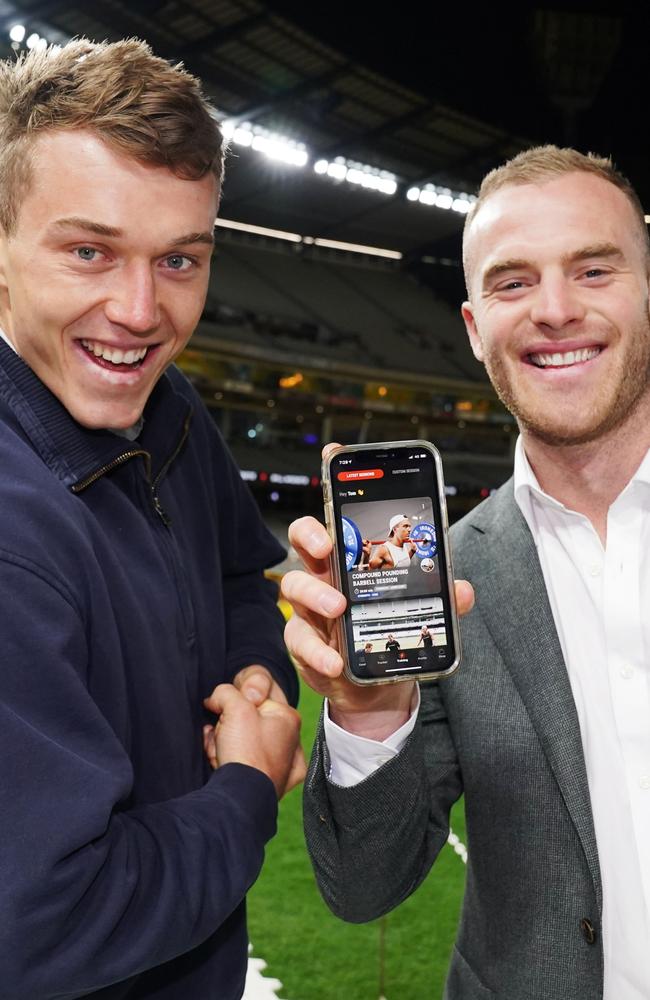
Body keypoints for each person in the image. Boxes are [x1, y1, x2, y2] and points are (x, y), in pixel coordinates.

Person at [282, 145, 650, 999]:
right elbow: (366, 885)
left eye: (594, 269)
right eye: (513, 283)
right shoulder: (449, 579)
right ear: (476, 326)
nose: (555, 310)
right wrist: (368, 712)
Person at [0, 38, 303, 1000]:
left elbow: (236, 576)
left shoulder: (172, 412)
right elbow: (47, 923)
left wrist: (254, 676)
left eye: (180, 259)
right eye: (89, 250)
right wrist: (249, 790)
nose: (140, 312)